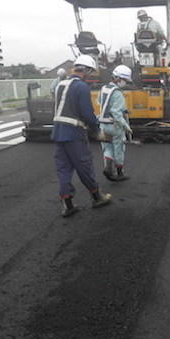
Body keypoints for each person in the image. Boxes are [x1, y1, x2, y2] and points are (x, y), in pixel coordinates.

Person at [52, 55, 112, 217]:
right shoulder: (81, 87)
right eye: (90, 72)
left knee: (63, 169)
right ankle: (97, 196)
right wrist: (96, 129)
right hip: (73, 133)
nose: (90, 75)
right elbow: (87, 113)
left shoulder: (60, 85)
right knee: (84, 165)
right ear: (86, 70)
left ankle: (67, 204)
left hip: (58, 132)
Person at [98, 65, 133, 182]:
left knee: (107, 147)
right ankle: (119, 172)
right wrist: (126, 127)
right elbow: (116, 113)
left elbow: (100, 103)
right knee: (119, 148)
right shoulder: (118, 93)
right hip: (114, 126)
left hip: (103, 125)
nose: (126, 83)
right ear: (119, 79)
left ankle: (108, 167)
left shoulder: (103, 88)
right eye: (126, 81)